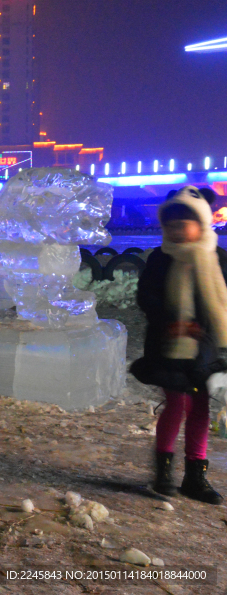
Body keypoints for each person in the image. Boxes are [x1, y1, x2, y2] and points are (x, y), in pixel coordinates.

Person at [133, 186, 227, 504]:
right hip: (169, 346)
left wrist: (207, 331)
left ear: (201, 224)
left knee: (200, 409)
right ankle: (163, 472)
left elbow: (221, 303)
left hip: (203, 349)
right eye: (169, 225)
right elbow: (146, 296)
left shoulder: (216, 259)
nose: (175, 230)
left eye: (182, 223)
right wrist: (169, 321)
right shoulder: (160, 259)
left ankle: (195, 477)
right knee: (176, 406)